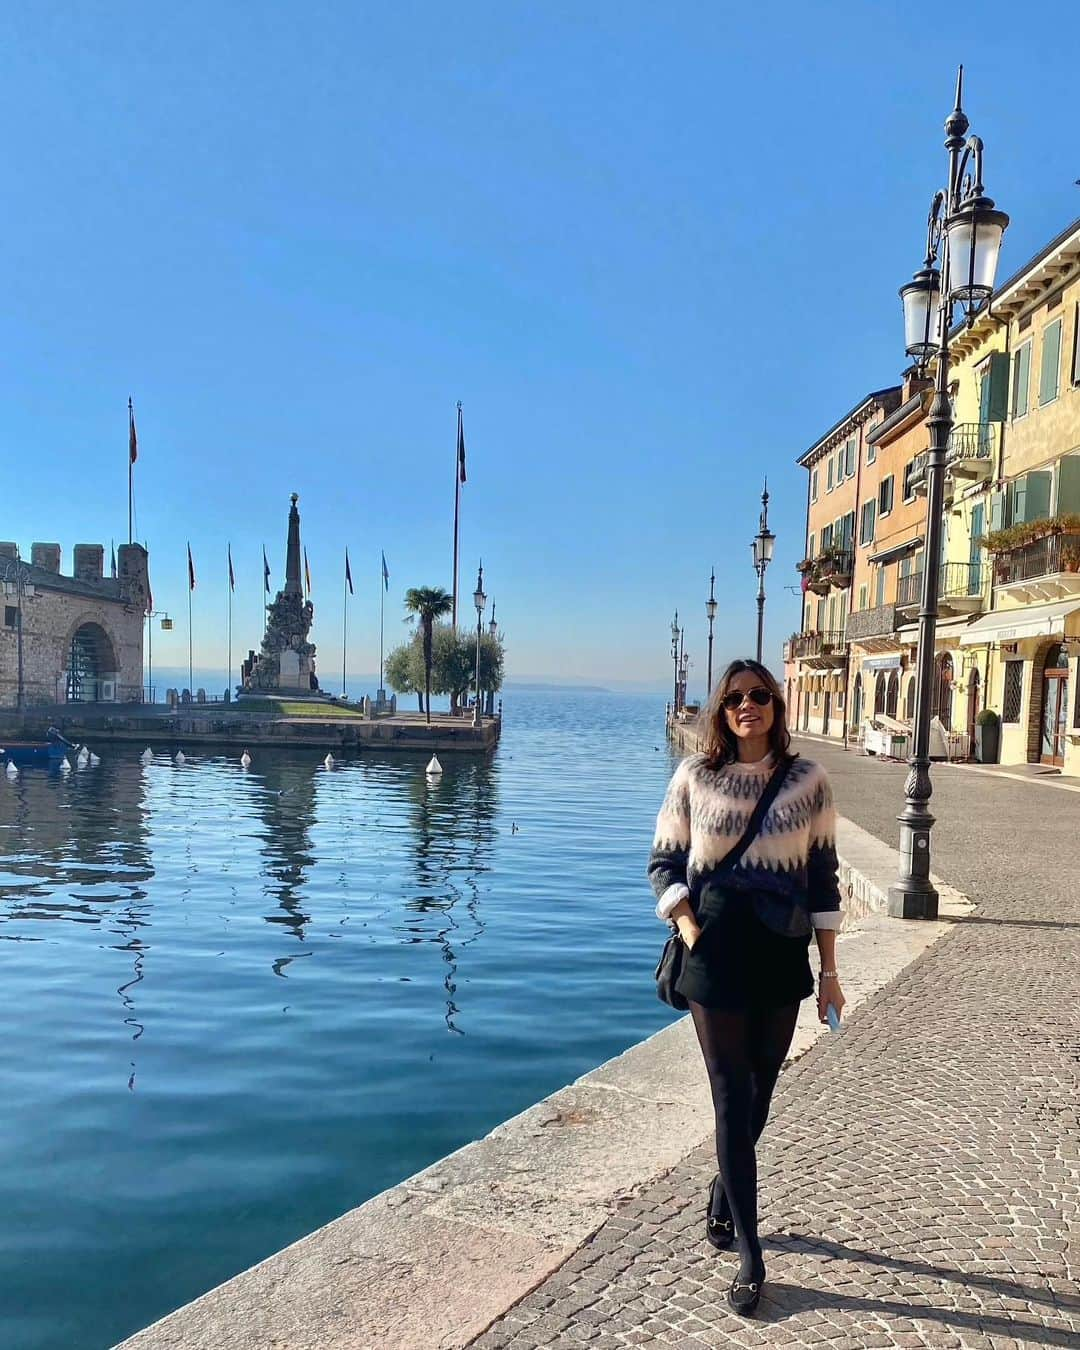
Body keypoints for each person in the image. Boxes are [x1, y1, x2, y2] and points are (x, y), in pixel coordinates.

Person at [647, 659, 847, 1316]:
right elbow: (663, 864)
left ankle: (721, 1188)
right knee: (731, 1096)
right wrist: (692, 931)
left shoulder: (807, 781)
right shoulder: (694, 777)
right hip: (714, 955)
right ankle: (751, 1254)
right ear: (720, 709)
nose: (748, 706)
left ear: (776, 706)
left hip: (781, 950)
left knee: (761, 1089)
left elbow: (822, 878)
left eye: (760, 695)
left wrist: (831, 972)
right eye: (735, 697)